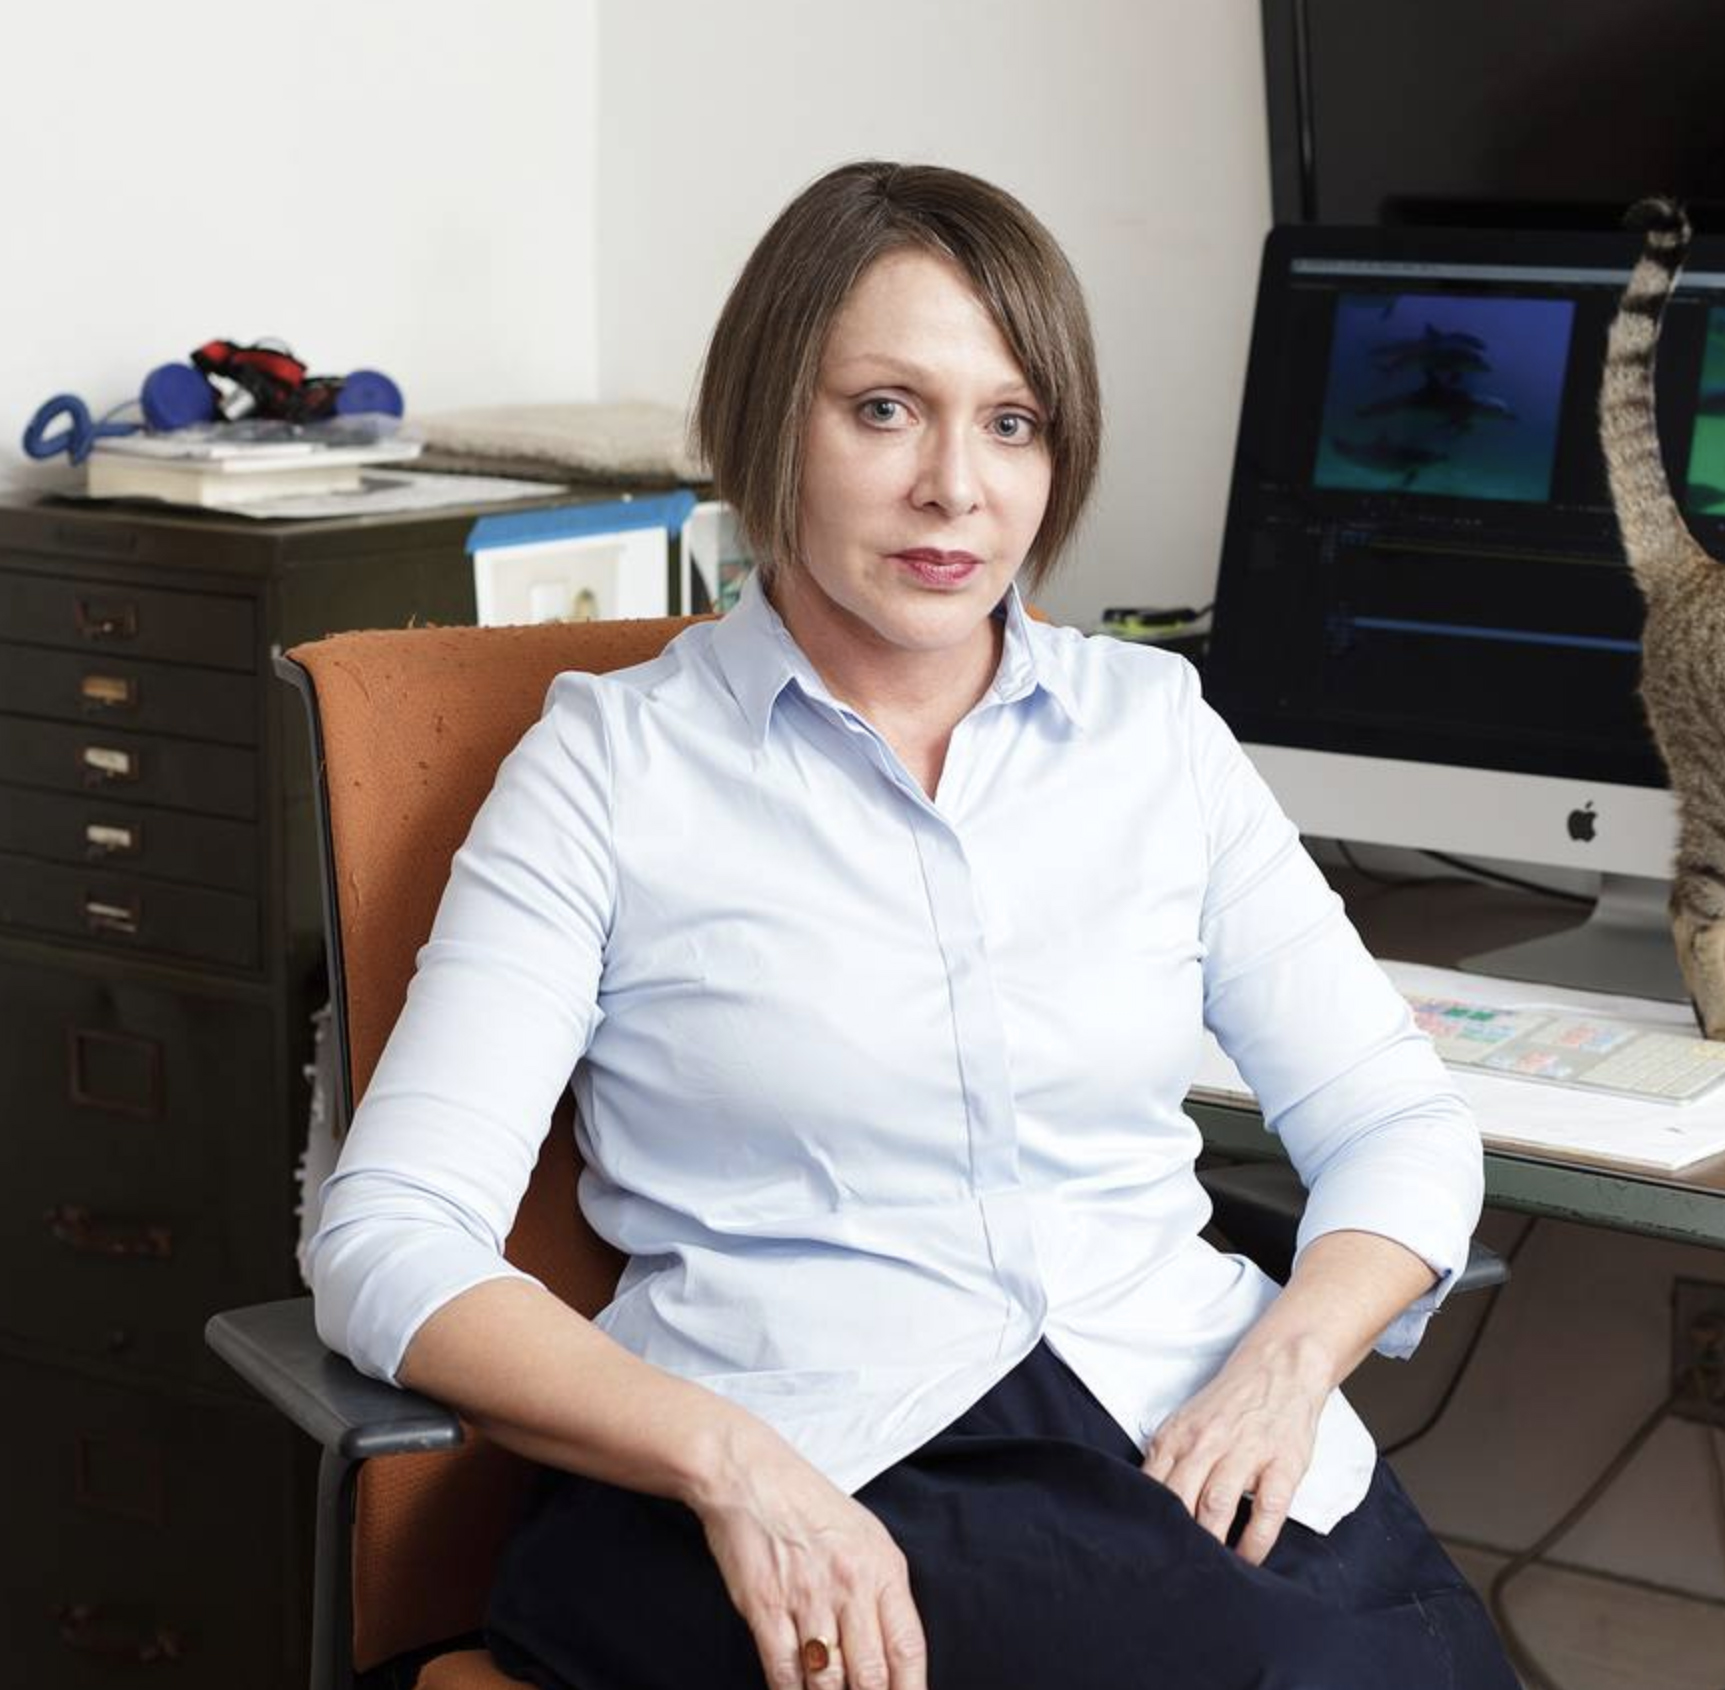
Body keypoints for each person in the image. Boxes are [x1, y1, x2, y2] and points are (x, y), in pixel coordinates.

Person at [306, 162, 1518, 1690]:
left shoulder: (1154, 732)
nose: (957, 485)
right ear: (771, 424)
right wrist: (728, 1464)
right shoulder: (610, 767)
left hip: (1177, 1433)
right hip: (802, 1458)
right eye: (885, 409)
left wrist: (1286, 1365)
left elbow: (1398, 1118)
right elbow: (386, 1235)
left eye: (1010, 422)